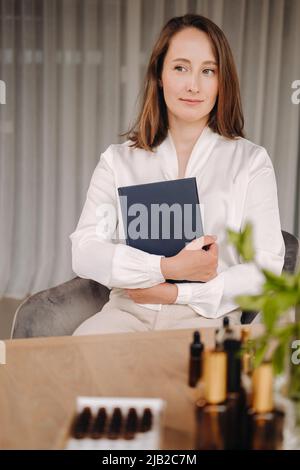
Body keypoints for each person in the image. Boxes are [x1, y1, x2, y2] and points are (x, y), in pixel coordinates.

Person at [70, 14, 285, 335]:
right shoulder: (118, 161)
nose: (193, 85)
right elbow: (85, 251)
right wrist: (164, 268)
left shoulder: (250, 161)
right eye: (181, 67)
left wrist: (179, 292)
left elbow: (265, 266)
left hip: (206, 317)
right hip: (128, 311)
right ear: (159, 75)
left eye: (208, 71)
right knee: (77, 363)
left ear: (221, 81)